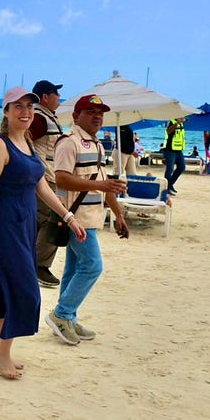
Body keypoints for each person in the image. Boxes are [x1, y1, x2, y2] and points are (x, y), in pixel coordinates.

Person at [0, 87, 85, 380]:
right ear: (6, 112)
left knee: (3, 290)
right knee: (27, 291)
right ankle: (4, 353)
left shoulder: (26, 143)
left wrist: (68, 217)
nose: (26, 112)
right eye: (19, 106)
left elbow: (42, 187)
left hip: (25, 226)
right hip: (6, 227)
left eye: (30, 107)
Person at [46, 94, 129, 346]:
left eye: (100, 113)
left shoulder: (97, 145)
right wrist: (100, 185)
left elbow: (104, 184)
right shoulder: (68, 142)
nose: (97, 117)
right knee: (92, 266)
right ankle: (61, 314)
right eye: (90, 112)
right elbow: (61, 178)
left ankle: (68, 318)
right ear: (76, 116)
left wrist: (118, 214)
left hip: (91, 216)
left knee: (73, 269)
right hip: (75, 216)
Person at [29, 79, 65, 288]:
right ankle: (40, 265)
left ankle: (26, 261)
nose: (59, 97)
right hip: (44, 178)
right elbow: (23, 141)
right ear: (45, 97)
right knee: (54, 218)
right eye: (56, 94)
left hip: (47, 176)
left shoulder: (47, 117)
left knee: (38, 220)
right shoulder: (39, 118)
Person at [163, 117, 187, 195]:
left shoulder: (181, 123)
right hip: (169, 150)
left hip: (179, 150)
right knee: (170, 170)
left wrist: (183, 121)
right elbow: (168, 131)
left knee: (182, 167)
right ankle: (166, 188)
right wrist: (177, 123)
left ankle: (169, 185)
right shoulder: (171, 121)